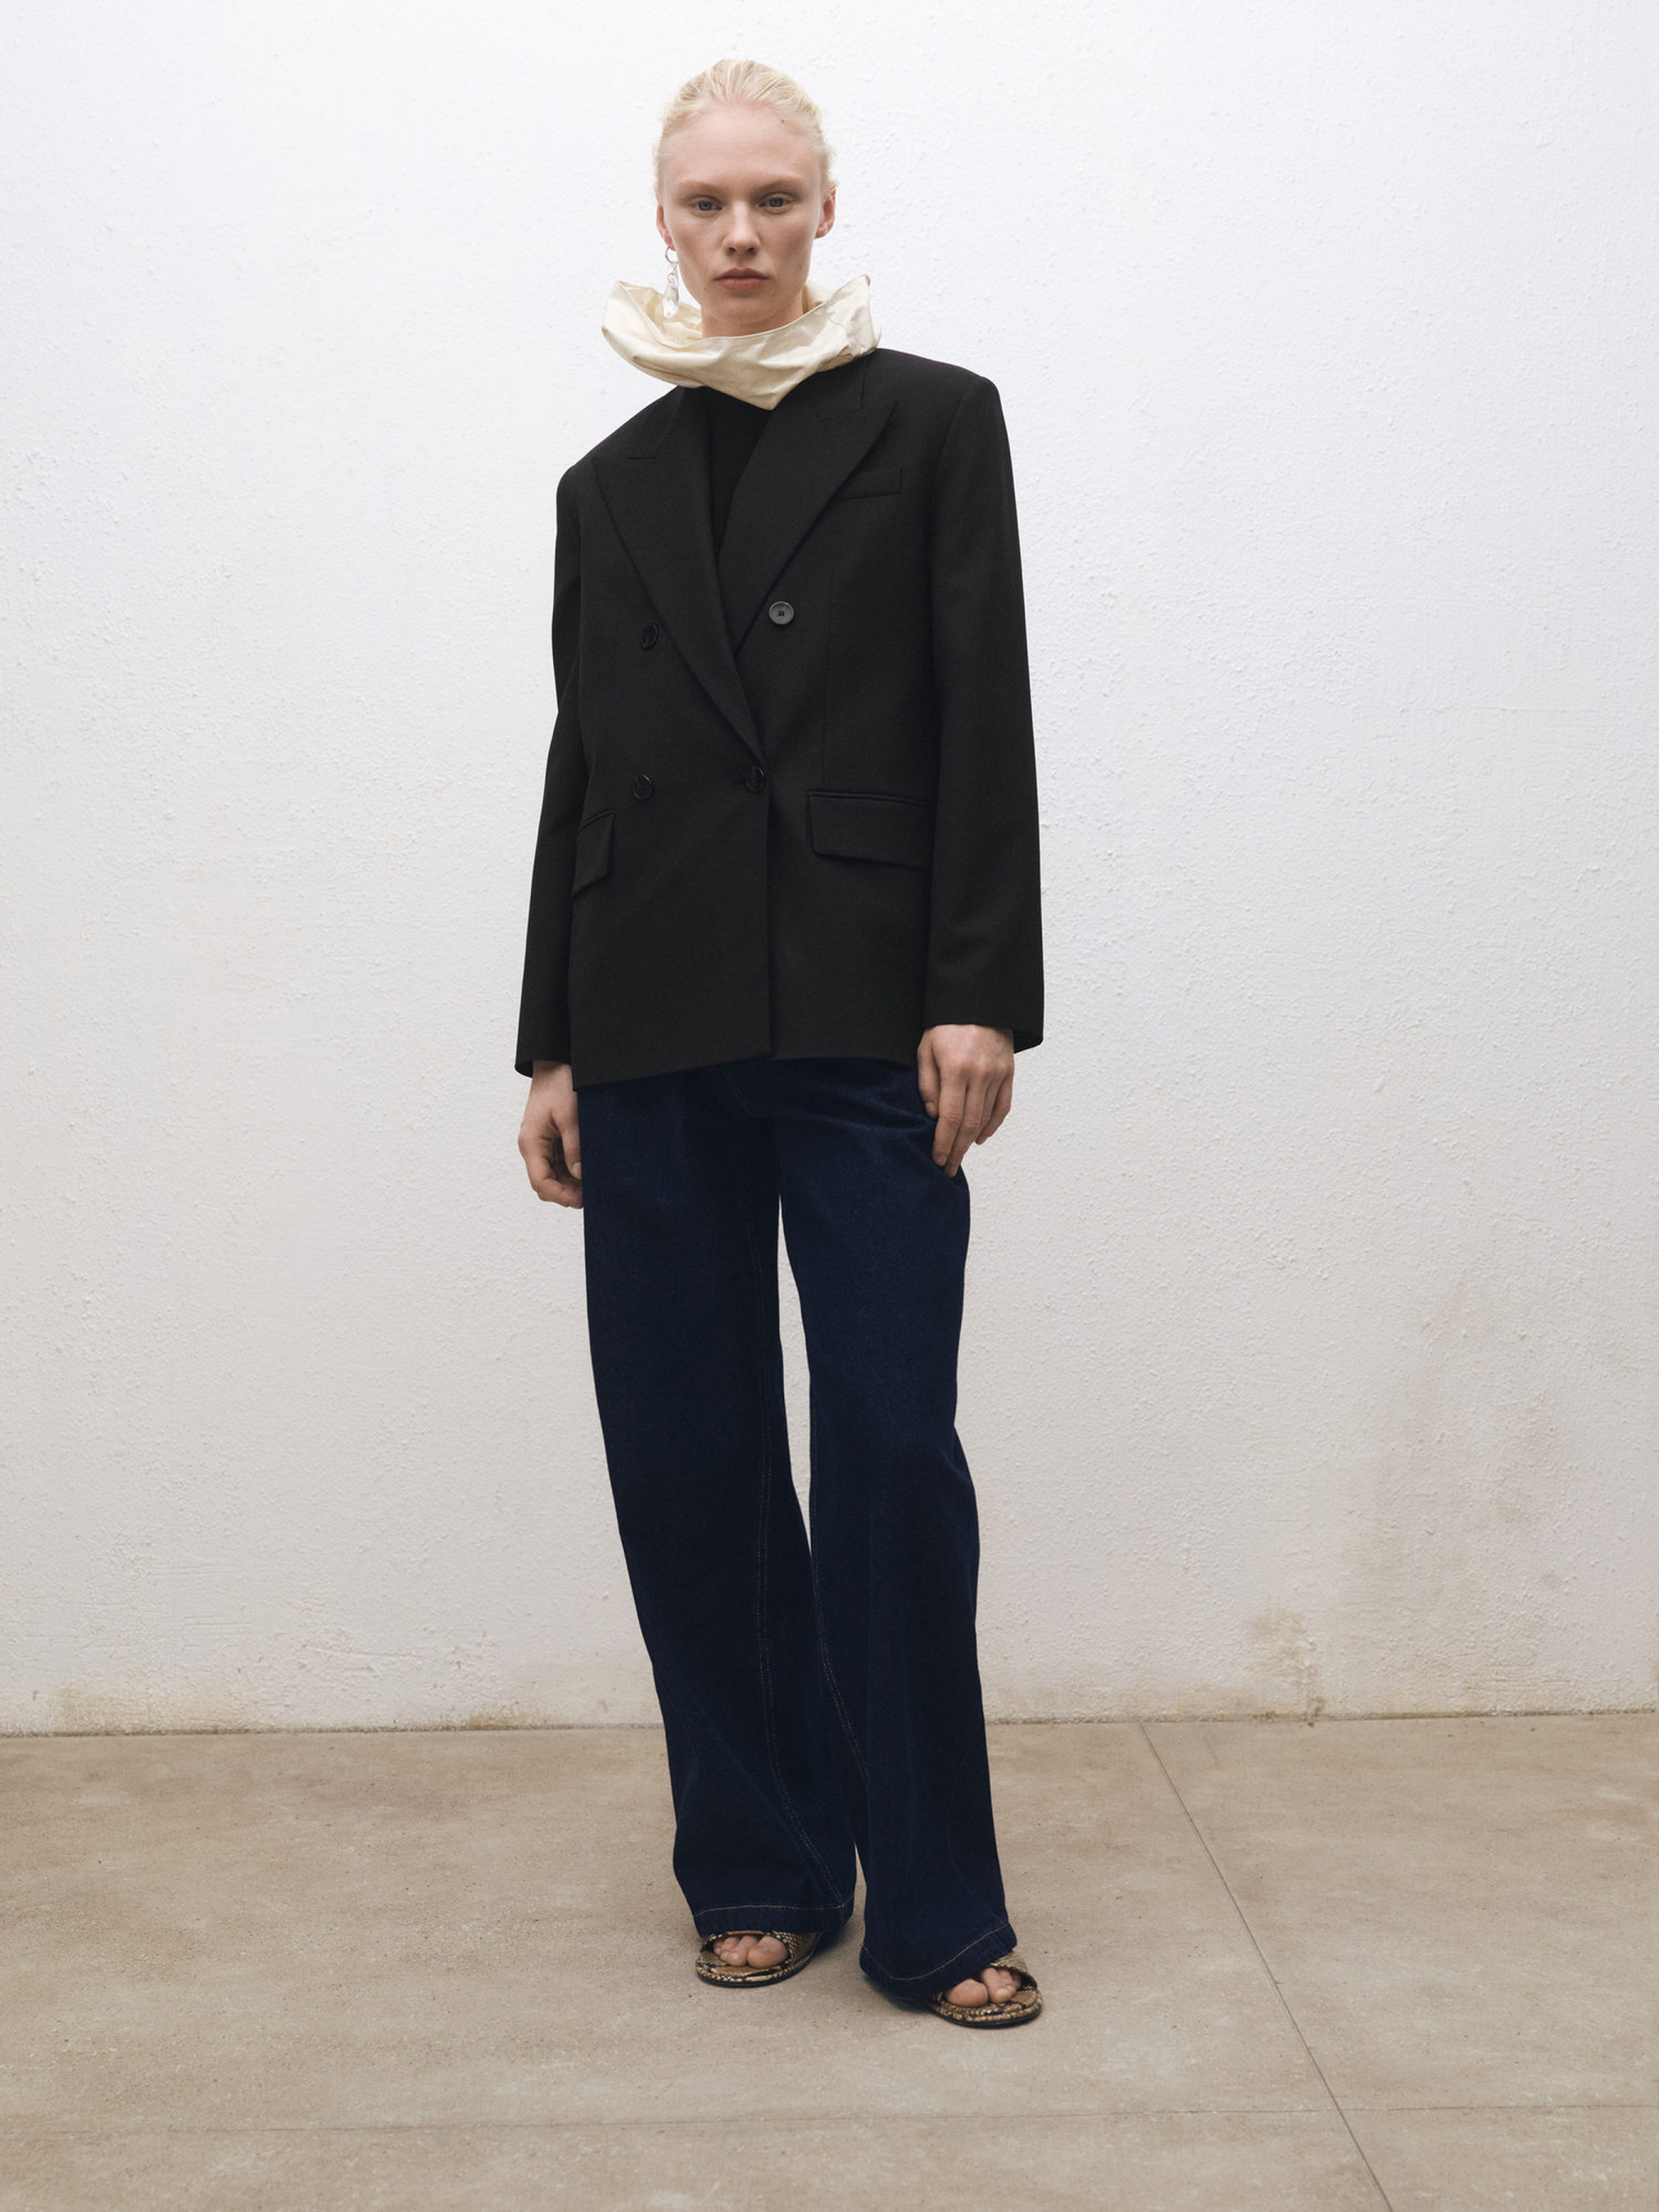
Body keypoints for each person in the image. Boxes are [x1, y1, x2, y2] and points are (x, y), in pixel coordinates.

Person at [515, 58, 1044, 2027]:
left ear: (826, 207)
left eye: (771, 200)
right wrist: (550, 1044)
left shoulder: (934, 423)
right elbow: (584, 773)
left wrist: (978, 987)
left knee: (888, 1449)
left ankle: (936, 1911)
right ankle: (756, 1861)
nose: (737, 235)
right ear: (661, 221)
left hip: (863, 1010)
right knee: (688, 1453)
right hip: (648, 1016)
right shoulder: (607, 482)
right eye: (703, 204)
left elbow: (983, 711)